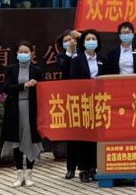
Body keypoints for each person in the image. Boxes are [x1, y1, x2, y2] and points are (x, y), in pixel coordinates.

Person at [0, 41, 44, 188]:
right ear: (17, 53)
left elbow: (42, 91)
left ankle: (29, 173)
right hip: (14, 109)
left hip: (31, 109)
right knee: (17, 141)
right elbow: (6, 88)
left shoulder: (36, 70)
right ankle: (19, 174)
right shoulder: (11, 69)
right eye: (21, 52)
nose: (23, 54)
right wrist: (24, 85)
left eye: (26, 52)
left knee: (30, 140)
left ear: (32, 54)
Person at [70, 29, 107, 183]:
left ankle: (93, 167)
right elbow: (73, 81)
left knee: (96, 136)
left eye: (94, 39)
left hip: (99, 102)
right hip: (83, 101)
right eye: (88, 39)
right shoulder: (77, 59)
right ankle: (83, 169)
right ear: (83, 42)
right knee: (83, 136)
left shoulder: (103, 59)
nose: (91, 41)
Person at [55, 29, 80, 179]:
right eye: (65, 41)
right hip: (69, 98)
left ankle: (87, 167)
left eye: (71, 40)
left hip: (84, 96)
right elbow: (64, 67)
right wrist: (69, 50)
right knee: (71, 135)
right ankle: (71, 168)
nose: (68, 42)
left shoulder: (83, 54)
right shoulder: (61, 56)